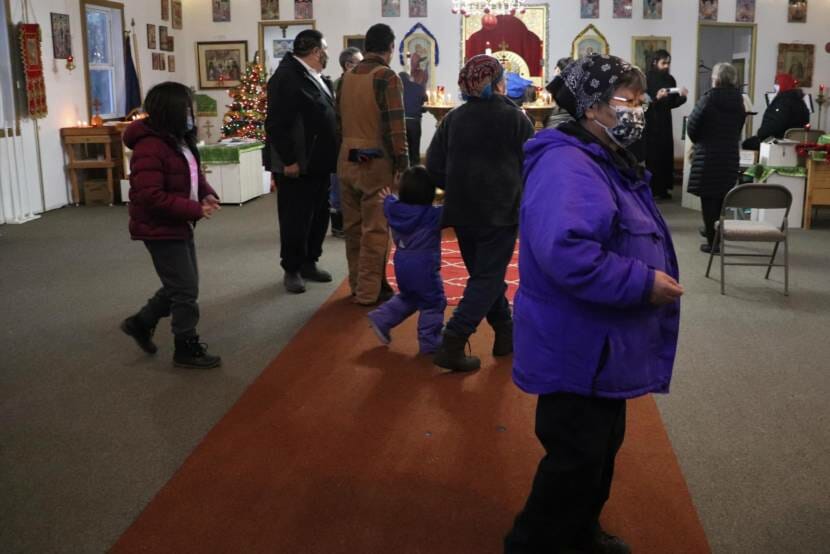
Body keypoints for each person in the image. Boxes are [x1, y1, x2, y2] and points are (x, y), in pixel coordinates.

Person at [504, 54, 683, 554]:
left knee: (598, 454)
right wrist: (643, 283)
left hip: (599, 343)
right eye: (629, 100)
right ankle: (533, 545)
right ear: (592, 107)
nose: (639, 110)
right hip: (576, 343)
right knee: (574, 460)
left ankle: (579, 534)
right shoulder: (568, 163)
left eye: (641, 99)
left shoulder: (603, 156)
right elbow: (568, 252)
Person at [426, 55, 535, 372]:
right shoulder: (517, 119)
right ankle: (453, 341)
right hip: (501, 212)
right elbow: (533, 166)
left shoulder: (453, 119)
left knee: (483, 277)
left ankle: (505, 332)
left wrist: (459, 184)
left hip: (462, 211)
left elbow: (433, 168)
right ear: (499, 82)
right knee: (487, 279)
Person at [120, 82, 222, 369]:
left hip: (178, 222)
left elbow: (193, 173)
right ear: (172, 110)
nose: (193, 113)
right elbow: (149, 196)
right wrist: (194, 209)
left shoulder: (178, 138)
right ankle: (185, 346)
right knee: (186, 289)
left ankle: (141, 322)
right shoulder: (150, 147)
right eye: (188, 108)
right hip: (159, 226)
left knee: (181, 284)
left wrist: (206, 193)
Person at [336, 23, 408, 306]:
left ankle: (359, 284)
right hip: (374, 161)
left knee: (353, 227)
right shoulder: (387, 77)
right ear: (390, 48)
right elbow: (396, 127)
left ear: (366, 47)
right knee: (376, 229)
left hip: (346, 158)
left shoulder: (346, 77)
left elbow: (338, 122)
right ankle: (369, 293)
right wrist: (403, 164)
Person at [266, 30, 337, 294]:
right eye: (325, 49)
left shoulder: (312, 75)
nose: (327, 54)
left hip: (318, 161)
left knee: (318, 214)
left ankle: (309, 261)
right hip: (299, 164)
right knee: (296, 216)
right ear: (317, 51)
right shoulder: (287, 77)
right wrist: (289, 160)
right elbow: (275, 124)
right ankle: (292, 268)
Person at [367, 166, 445, 354]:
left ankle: (382, 318)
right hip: (424, 265)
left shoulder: (393, 208)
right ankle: (430, 340)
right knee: (433, 301)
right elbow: (455, 209)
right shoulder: (432, 215)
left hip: (401, 262)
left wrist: (389, 195)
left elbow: (389, 200)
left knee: (409, 296)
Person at [687, 62, 747, 253]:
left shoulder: (708, 99)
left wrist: (701, 141)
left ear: (717, 79)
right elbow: (738, 128)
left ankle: (713, 242)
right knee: (722, 198)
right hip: (729, 155)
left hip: (708, 156)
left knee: (709, 199)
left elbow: (692, 128)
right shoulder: (739, 101)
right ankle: (714, 232)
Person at [642, 49, 687, 199]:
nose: (666, 66)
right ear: (655, 62)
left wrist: (682, 97)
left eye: (668, 63)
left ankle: (663, 189)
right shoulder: (645, 79)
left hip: (665, 122)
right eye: (663, 63)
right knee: (653, 157)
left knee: (665, 155)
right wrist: (657, 98)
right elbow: (642, 105)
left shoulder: (670, 79)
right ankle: (652, 189)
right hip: (650, 123)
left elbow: (672, 104)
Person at [329, 47, 364, 239]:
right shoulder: (337, 85)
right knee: (337, 184)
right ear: (348, 64)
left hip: (356, 139)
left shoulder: (358, 83)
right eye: (359, 61)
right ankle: (338, 225)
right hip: (340, 141)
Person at [742, 73, 810, 150]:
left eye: (777, 83)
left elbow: (774, 125)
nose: (775, 86)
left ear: (782, 84)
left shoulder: (783, 102)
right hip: (798, 143)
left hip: (780, 142)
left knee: (747, 144)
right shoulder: (801, 102)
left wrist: (760, 133)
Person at [399, 72, 428, 167]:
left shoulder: (396, 89)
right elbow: (424, 108)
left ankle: (403, 175)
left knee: (402, 151)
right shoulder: (418, 88)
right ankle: (415, 175)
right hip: (414, 122)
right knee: (414, 151)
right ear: (409, 78)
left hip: (400, 123)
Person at [545, 57, 575, 129]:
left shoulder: (551, 88)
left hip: (552, 128)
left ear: (558, 70)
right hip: (574, 128)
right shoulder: (577, 86)